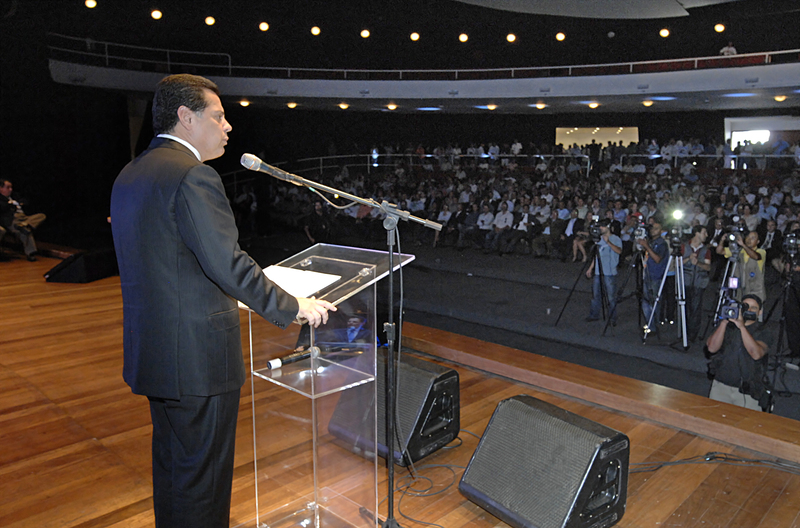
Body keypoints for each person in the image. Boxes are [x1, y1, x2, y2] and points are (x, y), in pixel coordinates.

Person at [110, 74, 335, 528]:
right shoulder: (193, 174)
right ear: (186, 117)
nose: (228, 126)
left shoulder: (131, 174)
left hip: (156, 352)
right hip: (198, 360)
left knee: (175, 473)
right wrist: (293, 305)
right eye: (218, 116)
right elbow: (226, 263)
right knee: (204, 485)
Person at [705, 294, 771, 410]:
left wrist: (742, 327)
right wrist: (724, 322)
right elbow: (711, 348)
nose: (749, 310)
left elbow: (756, 354)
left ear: (760, 312)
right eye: (746, 306)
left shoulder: (763, 331)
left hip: (748, 391)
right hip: (721, 386)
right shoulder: (727, 327)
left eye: (754, 308)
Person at [585, 219, 622, 325]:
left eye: (603, 226)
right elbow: (597, 254)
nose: (600, 228)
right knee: (596, 295)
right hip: (598, 271)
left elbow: (619, 251)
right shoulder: (599, 239)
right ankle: (594, 314)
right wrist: (591, 268)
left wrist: (608, 242)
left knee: (611, 297)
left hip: (609, 272)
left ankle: (612, 318)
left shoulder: (616, 238)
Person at [0, 179, 46, 261]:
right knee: (25, 231)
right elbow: (3, 208)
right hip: (12, 219)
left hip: (24, 218)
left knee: (41, 216)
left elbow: (25, 201)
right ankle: (31, 253)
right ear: (1, 188)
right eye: (7, 187)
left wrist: (19, 203)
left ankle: (24, 224)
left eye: (11, 187)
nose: (10, 189)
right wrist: (11, 204)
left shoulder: (14, 196)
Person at [681, 225, 713, 341]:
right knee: (684, 308)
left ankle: (692, 335)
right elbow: (676, 263)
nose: (706, 235)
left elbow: (708, 267)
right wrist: (688, 259)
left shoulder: (705, 250)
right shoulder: (684, 246)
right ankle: (684, 332)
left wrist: (698, 263)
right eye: (704, 232)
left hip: (699, 282)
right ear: (697, 233)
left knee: (695, 309)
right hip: (685, 281)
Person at [639, 221, 669, 327]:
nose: (653, 231)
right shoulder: (651, 242)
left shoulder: (662, 244)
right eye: (652, 228)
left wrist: (646, 246)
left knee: (654, 301)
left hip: (656, 276)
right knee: (645, 301)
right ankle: (650, 323)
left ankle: (654, 326)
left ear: (661, 231)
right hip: (647, 274)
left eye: (656, 229)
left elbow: (657, 259)